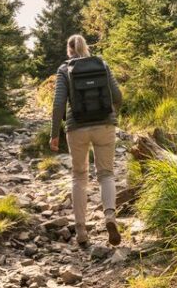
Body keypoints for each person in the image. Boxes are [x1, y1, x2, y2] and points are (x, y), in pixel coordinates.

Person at [50, 34, 124, 247]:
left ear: (69, 50)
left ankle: (81, 230)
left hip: (77, 128)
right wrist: (112, 114)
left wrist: (54, 134)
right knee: (106, 174)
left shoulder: (65, 69)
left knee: (79, 176)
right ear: (86, 47)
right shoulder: (102, 63)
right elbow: (117, 95)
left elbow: (58, 105)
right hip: (105, 125)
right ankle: (109, 216)